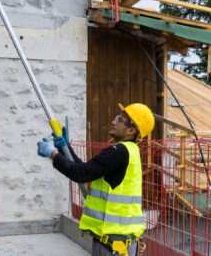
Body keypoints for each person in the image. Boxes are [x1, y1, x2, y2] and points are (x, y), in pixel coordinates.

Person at [37, 103, 155, 256]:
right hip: (118, 242)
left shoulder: (118, 151)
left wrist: (52, 153)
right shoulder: (130, 151)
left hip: (113, 245)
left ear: (131, 130)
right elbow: (86, 170)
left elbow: (80, 174)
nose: (113, 121)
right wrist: (65, 148)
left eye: (119, 119)